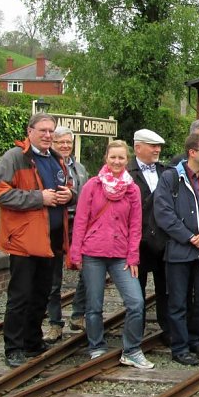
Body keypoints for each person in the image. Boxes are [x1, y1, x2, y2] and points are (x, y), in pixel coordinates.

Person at [0, 113, 74, 367]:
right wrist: (40, 198)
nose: (48, 135)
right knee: (20, 295)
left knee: (41, 294)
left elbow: (69, 187)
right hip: (25, 240)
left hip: (52, 238)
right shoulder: (15, 157)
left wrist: (68, 195)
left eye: (51, 131)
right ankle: (13, 348)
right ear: (30, 131)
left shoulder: (58, 159)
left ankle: (32, 340)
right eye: (43, 130)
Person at [69, 140, 154, 369]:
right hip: (93, 253)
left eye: (121, 158)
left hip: (120, 255)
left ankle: (132, 350)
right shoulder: (92, 186)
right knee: (94, 305)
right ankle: (96, 347)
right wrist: (75, 254)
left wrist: (133, 257)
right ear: (106, 158)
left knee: (136, 302)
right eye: (113, 157)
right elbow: (81, 221)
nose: (117, 162)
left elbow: (136, 226)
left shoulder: (132, 189)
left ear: (127, 160)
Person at [154, 133, 199, 366]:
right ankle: (179, 347)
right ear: (192, 152)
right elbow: (164, 213)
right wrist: (188, 237)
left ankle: (195, 340)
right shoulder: (170, 178)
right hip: (179, 250)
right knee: (177, 301)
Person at [44, 126, 89, 343]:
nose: (64, 146)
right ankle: (54, 323)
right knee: (53, 279)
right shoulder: (47, 165)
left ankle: (78, 314)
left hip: (78, 226)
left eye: (68, 143)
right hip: (54, 226)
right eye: (60, 142)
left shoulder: (80, 168)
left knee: (88, 271)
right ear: (52, 144)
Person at [126, 128, 171, 345]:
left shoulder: (165, 171)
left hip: (163, 240)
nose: (157, 150)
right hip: (138, 241)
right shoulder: (126, 172)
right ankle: (136, 331)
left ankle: (168, 330)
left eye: (158, 146)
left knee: (166, 288)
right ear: (137, 147)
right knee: (137, 289)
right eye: (152, 146)